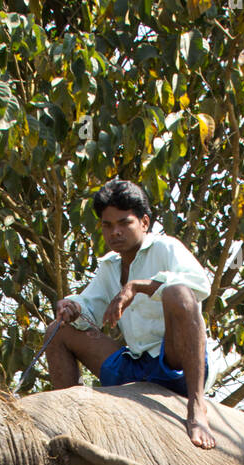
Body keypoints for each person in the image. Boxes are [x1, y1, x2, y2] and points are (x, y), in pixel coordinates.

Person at [46, 179, 217, 449]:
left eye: (124, 223)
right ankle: (70, 424)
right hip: (134, 366)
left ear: (144, 223)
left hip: (172, 364)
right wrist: (73, 306)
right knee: (58, 329)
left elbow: (199, 285)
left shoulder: (165, 248)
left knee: (179, 293)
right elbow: (90, 305)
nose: (115, 232)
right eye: (107, 225)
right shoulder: (109, 266)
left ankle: (197, 406)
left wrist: (136, 287)